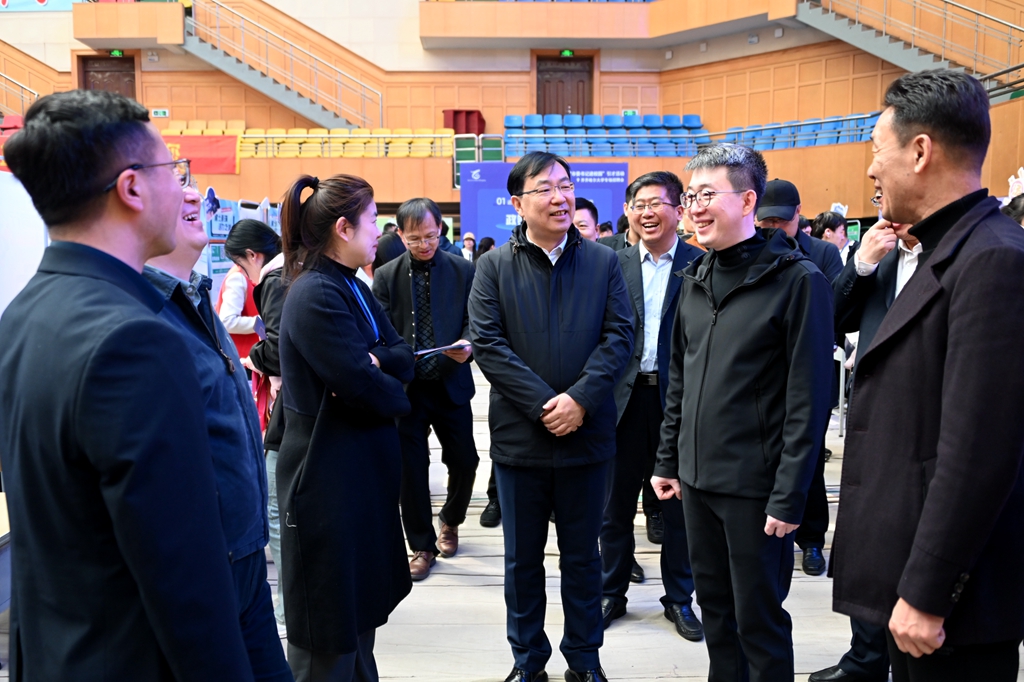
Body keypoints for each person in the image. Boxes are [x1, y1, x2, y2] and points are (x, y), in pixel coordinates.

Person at [0, 89, 253, 681]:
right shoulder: (137, 340)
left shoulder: (24, 315)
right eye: (173, 170)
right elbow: (182, 570)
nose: (184, 190)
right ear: (132, 188)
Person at [830, 68, 1024, 681]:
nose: (870, 170)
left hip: (950, 607)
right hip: (914, 588)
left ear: (919, 152)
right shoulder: (948, 249)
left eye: (876, 150)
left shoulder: (992, 260)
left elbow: (978, 451)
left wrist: (927, 590)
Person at [651, 144, 833, 682]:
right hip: (696, 482)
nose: (694, 207)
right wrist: (668, 460)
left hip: (756, 488)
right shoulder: (693, 278)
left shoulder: (797, 281)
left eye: (707, 194)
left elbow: (809, 400)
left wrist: (790, 494)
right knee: (717, 614)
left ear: (749, 200)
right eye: (690, 196)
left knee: (759, 622)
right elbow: (679, 380)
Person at [468, 151, 633, 682]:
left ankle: (585, 661)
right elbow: (488, 345)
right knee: (522, 561)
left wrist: (580, 400)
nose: (560, 197)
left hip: (588, 435)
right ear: (518, 203)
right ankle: (527, 661)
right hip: (521, 439)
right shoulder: (493, 266)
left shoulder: (604, 261)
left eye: (565, 185)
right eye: (545, 188)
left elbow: (620, 336)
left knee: (584, 558)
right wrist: (546, 405)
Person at [144, 185, 293, 681]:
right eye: (167, 179)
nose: (191, 195)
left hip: (244, 555)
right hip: (206, 565)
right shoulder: (137, 316)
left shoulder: (193, 296)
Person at [276, 174, 415, 682]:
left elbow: (402, 355)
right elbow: (362, 386)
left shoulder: (351, 285)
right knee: (327, 639)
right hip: (326, 485)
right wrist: (386, 382)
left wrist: (379, 364)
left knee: (357, 625)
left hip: (356, 481)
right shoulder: (315, 293)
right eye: (373, 220)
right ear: (343, 228)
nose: (380, 231)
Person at [599, 171, 705, 643]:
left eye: (657, 203)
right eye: (638, 204)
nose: (647, 212)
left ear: (678, 210)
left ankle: (679, 598)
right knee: (614, 507)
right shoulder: (611, 264)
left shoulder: (700, 264)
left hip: (677, 401)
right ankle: (611, 592)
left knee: (679, 509)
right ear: (628, 211)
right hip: (621, 401)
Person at [808, 218, 914, 682]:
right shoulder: (882, 256)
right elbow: (833, 318)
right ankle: (866, 658)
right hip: (871, 418)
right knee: (868, 541)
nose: (883, 202)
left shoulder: (958, 254)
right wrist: (863, 264)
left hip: (923, 421)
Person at [372, 198, 479, 582]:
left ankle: (451, 519)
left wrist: (468, 343)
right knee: (411, 470)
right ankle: (421, 545)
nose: (424, 244)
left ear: (441, 231)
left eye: (431, 236)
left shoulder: (463, 269)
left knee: (465, 461)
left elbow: (475, 318)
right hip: (408, 389)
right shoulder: (385, 276)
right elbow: (379, 332)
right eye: (415, 238)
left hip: (451, 382)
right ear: (400, 235)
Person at [755, 178, 843, 577]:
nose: (773, 228)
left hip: (809, 372)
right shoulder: (752, 251)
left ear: (798, 215)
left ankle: (811, 540)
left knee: (808, 460)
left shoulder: (822, 254)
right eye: (766, 221)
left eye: (781, 221)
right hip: (765, 377)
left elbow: (836, 310)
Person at [230, 220, 289, 639]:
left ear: (253, 256)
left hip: (294, 410)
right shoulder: (303, 270)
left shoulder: (272, 280)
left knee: (276, 510)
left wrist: (256, 358)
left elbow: (279, 349)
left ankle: (288, 607)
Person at [217, 221, 271, 362]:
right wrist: (265, 321)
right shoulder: (237, 277)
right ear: (251, 254)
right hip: (242, 357)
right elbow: (227, 321)